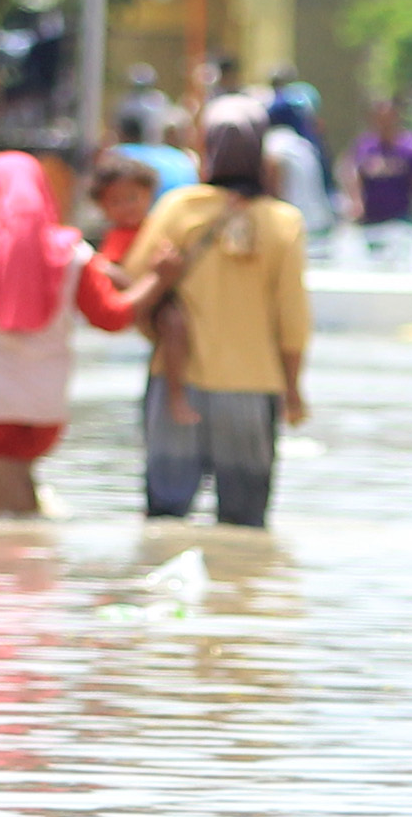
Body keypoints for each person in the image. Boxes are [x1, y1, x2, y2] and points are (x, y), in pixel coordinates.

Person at [0, 152, 180, 516]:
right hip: (44, 411)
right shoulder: (73, 254)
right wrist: (157, 280)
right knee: (22, 502)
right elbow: (113, 317)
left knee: (4, 518)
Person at [130, 97, 313, 524]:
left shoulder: (178, 208)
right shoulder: (283, 222)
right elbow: (293, 321)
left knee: (164, 521)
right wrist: (292, 389)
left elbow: (135, 287)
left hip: (176, 385)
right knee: (244, 527)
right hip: (251, 390)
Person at [82, 149, 201, 431]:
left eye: (133, 198)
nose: (127, 207)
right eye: (116, 202)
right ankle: (176, 396)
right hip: (149, 300)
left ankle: (177, 393)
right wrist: (144, 282)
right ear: (103, 207)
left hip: (162, 294)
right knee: (173, 324)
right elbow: (109, 273)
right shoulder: (116, 238)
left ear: (149, 195)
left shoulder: (156, 227)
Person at [344, 93, 412, 228]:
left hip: (402, 217)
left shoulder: (409, 147)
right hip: (371, 218)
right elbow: (353, 174)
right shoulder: (364, 147)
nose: (384, 123)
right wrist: (356, 202)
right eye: (379, 118)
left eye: (388, 118)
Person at [263, 84, 335, 239]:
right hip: (320, 225)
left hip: (296, 229)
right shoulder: (304, 144)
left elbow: (273, 194)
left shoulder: (273, 144)